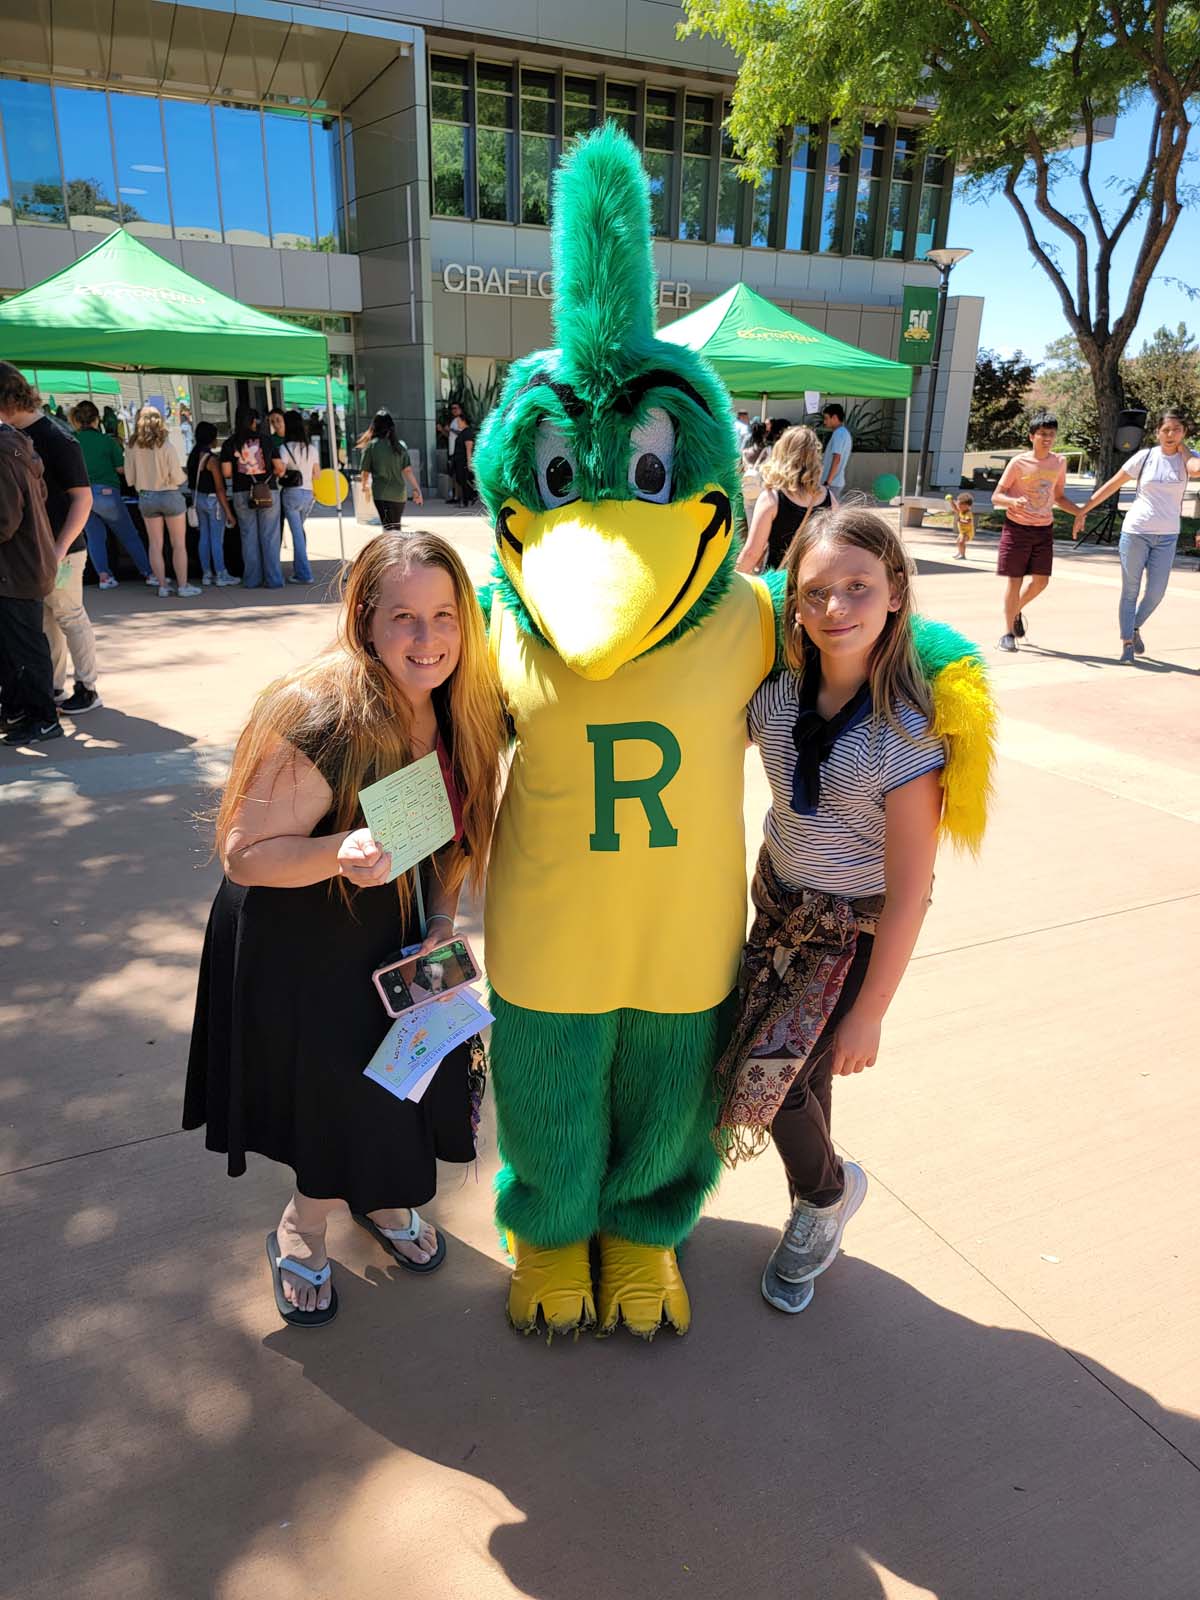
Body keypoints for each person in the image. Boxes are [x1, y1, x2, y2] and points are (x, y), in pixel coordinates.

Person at [183, 532, 508, 1326]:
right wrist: (339, 848)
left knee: (403, 1081)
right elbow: (243, 856)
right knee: (334, 1094)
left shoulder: (463, 709)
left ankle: (381, 1198)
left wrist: (439, 921)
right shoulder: (321, 713)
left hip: (397, 934)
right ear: (365, 620)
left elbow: (452, 841)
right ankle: (305, 1223)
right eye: (404, 617)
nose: (427, 639)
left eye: (443, 615)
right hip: (305, 937)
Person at [720, 506, 948, 1315]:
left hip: (849, 936)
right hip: (776, 910)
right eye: (815, 593)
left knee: (769, 1083)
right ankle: (826, 1186)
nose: (835, 609)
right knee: (798, 1074)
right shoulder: (778, 698)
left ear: (895, 594)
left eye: (858, 587)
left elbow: (912, 890)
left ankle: (824, 1196)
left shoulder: (906, 736)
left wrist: (872, 1014)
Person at [0, 365, 100, 716]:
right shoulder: (16, 436)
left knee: (69, 615)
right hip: (35, 552)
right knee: (45, 622)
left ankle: (87, 686)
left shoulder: (58, 438)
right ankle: (52, 688)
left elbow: (83, 499)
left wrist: (58, 549)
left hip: (63, 550)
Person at [1071, 408, 1200, 663]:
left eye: (1176, 429)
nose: (1170, 434)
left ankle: (1135, 626)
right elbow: (1112, 485)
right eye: (1165, 430)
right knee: (1130, 590)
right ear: (1156, 432)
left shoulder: (1189, 458)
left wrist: (1183, 448)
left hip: (1167, 536)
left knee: (1156, 592)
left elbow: (1195, 471)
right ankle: (1127, 642)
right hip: (1136, 532)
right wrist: (1082, 511)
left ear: (1184, 432)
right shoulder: (1145, 457)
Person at [990, 411, 1079, 652]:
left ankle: (1016, 609)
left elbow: (1059, 496)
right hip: (1017, 529)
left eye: (1051, 434)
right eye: (1042, 434)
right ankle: (1008, 634)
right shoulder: (1018, 462)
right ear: (1032, 436)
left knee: (1041, 582)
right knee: (1015, 581)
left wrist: (1079, 513)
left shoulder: (1060, 462)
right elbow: (996, 495)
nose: (1047, 438)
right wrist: (1011, 502)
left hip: (1043, 530)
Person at [0, 418, 62, 745]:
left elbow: (5, 521)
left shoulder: (6, 450)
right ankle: (19, 710)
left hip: (16, 568)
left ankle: (43, 717)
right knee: (14, 647)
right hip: (26, 563)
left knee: (25, 647)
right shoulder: (20, 445)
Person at [72, 400, 152, 589]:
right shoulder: (107, 441)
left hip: (82, 495)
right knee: (129, 535)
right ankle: (149, 573)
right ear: (97, 419)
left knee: (95, 537)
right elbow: (120, 469)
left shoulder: (71, 440)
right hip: (106, 492)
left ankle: (104, 576)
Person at [125, 405, 199, 599]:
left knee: (155, 544)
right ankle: (183, 586)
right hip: (169, 495)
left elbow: (130, 480)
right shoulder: (166, 446)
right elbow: (177, 477)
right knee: (178, 544)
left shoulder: (132, 447)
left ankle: (163, 585)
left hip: (147, 497)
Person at [736, 425, 832, 573]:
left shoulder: (771, 498)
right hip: (814, 583)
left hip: (780, 584)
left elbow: (752, 553)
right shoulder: (829, 498)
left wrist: (733, 586)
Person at [220, 407, 284, 589]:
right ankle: (273, 580)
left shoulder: (230, 443)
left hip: (242, 492)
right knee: (270, 535)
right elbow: (279, 468)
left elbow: (226, 473)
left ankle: (252, 579)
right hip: (267, 491)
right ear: (253, 422)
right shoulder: (267, 440)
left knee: (248, 536)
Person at [185, 422, 239, 588]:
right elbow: (220, 488)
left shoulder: (193, 455)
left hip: (197, 499)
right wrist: (229, 513)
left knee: (204, 537)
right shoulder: (211, 460)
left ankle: (207, 573)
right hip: (213, 501)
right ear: (212, 439)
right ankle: (221, 573)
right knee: (217, 539)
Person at [358, 410, 423, 531]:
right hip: (399, 494)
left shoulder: (371, 446)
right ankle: (398, 547)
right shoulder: (399, 446)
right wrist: (417, 489)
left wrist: (364, 486)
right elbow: (408, 471)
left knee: (388, 529)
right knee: (395, 527)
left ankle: (392, 549)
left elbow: (365, 472)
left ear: (374, 426)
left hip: (381, 493)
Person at [278, 410, 320, 585]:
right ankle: (299, 569)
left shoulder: (285, 448)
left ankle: (304, 573)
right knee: (300, 532)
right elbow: (317, 474)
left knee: (296, 534)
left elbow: (280, 471)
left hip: (292, 493)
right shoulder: (311, 448)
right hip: (308, 493)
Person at [820, 404, 852, 497]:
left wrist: (828, 482)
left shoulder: (839, 433)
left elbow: (837, 458)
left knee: (827, 511)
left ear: (834, 417)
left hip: (832, 483)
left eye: (826, 418)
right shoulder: (843, 433)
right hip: (834, 482)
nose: (824, 422)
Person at [445, 401, 468, 504]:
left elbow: (462, 433)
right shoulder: (454, 420)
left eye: (456, 408)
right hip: (452, 450)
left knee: (458, 475)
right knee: (453, 475)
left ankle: (460, 497)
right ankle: (456, 496)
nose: (454, 410)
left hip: (457, 451)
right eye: (452, 408)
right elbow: (451, 435)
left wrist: (450, 429)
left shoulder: (460, 420)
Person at [946, 490, 975, 561]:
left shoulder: (968, 513)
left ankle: (963, 555)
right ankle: (960, 553)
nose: (959, 507)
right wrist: (951, 501)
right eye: (958, 504)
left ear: (967, 506)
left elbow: (968, 522)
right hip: (962, 532)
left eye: (960, 505)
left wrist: (960, 520)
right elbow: (955, 508)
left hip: (968, 532)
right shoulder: (961, 511)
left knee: (961, 542)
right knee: (958, 542)